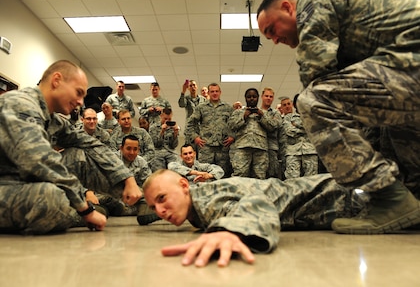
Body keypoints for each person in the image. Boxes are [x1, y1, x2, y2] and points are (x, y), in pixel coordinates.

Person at [257, 0, 420, 234]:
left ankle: (389, 198)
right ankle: (411, 203)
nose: (275, 41)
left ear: (288, 8)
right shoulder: (349, 36)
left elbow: (316, 67)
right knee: (390, 130)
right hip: (407, 73)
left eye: (271, 30)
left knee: (314, 100)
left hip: (411, 61)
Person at [0, 60, 142, 234]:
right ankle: (77, 214)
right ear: (57, 80)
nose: (81, 102)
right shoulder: (19, 104)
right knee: (51, 197)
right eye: (78, 93)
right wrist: (84, 209)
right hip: (6, 185)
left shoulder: (51, 119)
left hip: (21, 183)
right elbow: (41, 160)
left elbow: (91, 144)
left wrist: (128, 180)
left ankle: (143, 202)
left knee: (78, 157)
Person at [143, 169, 360, 267]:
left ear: (184, 185)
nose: (160, 211)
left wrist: (228, 231)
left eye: (162, 199)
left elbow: (258, 204)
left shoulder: (208, 200)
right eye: (154, 206)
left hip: (343, 195)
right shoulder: (195, 204)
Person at [185, 83, 235, 177]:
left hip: (223, 148)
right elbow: (190, 123)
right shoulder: (201, 107)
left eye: (217, 91)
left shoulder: (228, 108)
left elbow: (235, 124)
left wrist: (232, 136)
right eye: (212, 91)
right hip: (206, 148)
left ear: (220, 92)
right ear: (209, 93)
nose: (215, 93)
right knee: (204, 175)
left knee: (223, 175)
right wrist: (195, 137)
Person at [228, 88, 274, 179]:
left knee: (260, 176)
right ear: (245, 98)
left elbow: (272, 127)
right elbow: (231, 125)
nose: (252, 99)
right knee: (239, 174)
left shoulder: (264, 113)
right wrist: (244, 117)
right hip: (242, 147)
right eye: (249, 97)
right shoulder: (238, 112)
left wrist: (262, 116)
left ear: (258, 98)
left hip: (260, 149)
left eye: (254, 97)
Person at [260, 87, 283, 178]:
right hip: (259, 147)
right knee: (259, 174)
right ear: (262, 97)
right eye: (266, 96)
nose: (268, 98)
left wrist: (262, 117)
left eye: (271, 96)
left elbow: (273, 126)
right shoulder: (255, 111)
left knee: (272, 174)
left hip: (271, 148)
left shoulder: (276, 113)